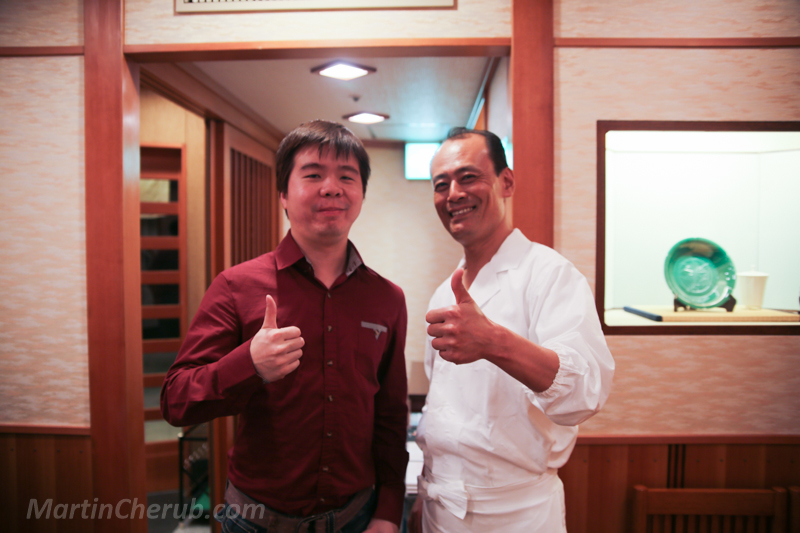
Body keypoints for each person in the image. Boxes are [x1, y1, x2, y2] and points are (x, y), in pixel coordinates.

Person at [161, 120, 409, 533]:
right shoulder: (236, 286)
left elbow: (390, 416)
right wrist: (249, 364)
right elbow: (176, 400)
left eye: (347, 177)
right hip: (255, 521)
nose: (331, 187)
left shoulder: (387, 298)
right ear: (283, 194)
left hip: (356, 517)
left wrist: (387, 511)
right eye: (313, 175)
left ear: (361, 195)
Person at [409, 128, 614, 532]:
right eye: (441, 184)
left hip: (515, 512)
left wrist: (493, 341)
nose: (453, 194)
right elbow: (442, 405)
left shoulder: (549, 274)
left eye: (468, 177)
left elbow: (585, 392)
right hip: (440, 504)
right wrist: (424, 494)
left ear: (506, 182)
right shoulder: (444, 293)